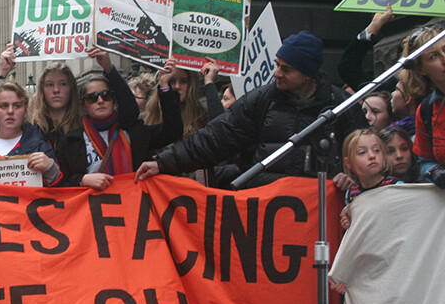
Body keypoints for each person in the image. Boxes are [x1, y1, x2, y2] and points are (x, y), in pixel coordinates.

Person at [135, 30, 368, 189]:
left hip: (320, 214)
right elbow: (216, 137)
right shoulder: (261, 100)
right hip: (265, 206)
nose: (277, 73)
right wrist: (164, 163)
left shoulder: (341, 106)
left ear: (307, 74)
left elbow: (367, 152)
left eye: (286, 69)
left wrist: (352, 177)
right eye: (277, 65)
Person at [0, 44, 140, 150]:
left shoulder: (87, 124)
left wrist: (108, 68)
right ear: (42, 90)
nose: (56, 90)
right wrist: (1, 72)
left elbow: (131, 112)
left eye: (63, 84)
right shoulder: (31, 128)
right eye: (49, 85)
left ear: (72, 89)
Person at [55, 53, 182, 191]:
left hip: (134, 200)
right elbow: (60, 184)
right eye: (92, 98)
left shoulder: (135, 133)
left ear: (114, 101)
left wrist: (164, 85)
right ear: (84, 105)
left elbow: (173, 130)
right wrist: (82, 180)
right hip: (92, 203)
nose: (100, 101)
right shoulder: (70, 142)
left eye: (106, 95)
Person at [402, 25, 445, 187]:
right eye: (434, 56)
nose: (444, 59)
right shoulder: (426, 110)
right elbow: (425, 161)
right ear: (421, 69)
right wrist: (434, 172)